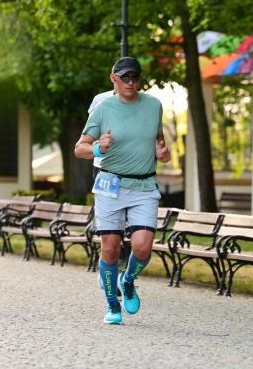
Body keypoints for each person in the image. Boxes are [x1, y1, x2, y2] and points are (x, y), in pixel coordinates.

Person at [74, 57, 171, 324]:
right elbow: (80, 148)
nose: (130, 82)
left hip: (144, 185)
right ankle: (112, 305)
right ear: (114, 78)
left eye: (135, 77)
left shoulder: (154, 106)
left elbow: (159, 144)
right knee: (110, 248)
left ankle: (127, 280)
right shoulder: (103, 108)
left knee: (143, 247)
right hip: (110, 184)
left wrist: (163, 154)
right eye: (125, 77)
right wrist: (98, 148)